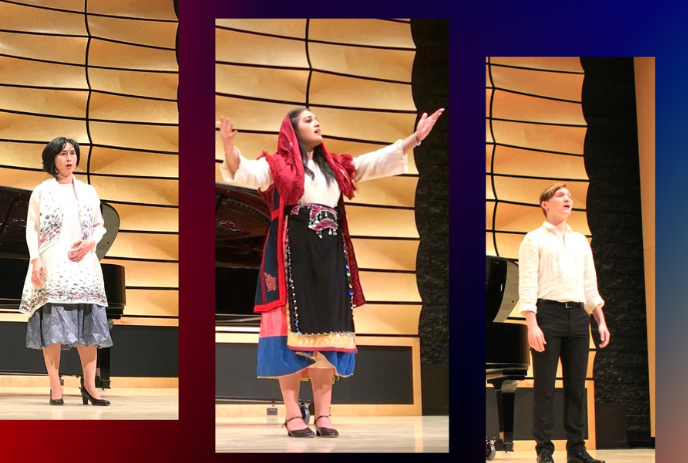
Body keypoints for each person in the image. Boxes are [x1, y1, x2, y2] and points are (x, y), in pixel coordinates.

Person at [219, 107, 444, 437]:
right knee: (289, 335)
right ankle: (293, 413)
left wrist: (415, 139)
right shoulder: (276, 165)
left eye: (316, 119)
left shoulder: (335, 166)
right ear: (292, 130)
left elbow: (372, 163)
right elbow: (245, 172)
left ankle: (324, 414)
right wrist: (227, 148)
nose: (317, 123)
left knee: (328, 335)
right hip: (291, 258)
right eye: (309, 120)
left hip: (328, 258)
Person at [518, 183, 610, 463]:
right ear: (544, 203)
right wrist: (532, 324)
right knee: (544, 388)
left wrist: (600, 321)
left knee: (575, 388)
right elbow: (527, 285)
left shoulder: (581, 241)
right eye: (560, 195)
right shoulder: (533, 239)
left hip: (579, 319)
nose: (567, 199)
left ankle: (577, 450)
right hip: (547, 316)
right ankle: (544, 451)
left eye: (569, 196)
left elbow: (589, 285)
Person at [19, 137, 113, 406]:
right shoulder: (42, 191)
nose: (69, 158)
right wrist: (35, 259)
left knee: (89, 325)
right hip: (53, 263)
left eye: (72, 153)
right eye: (63, 154)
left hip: (84, 263)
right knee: (53, 326)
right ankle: (54, 386)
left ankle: (90, 387)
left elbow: (99, 225)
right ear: (52, 159)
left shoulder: (88, 191)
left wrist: (90, 242)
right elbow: (31, 228)